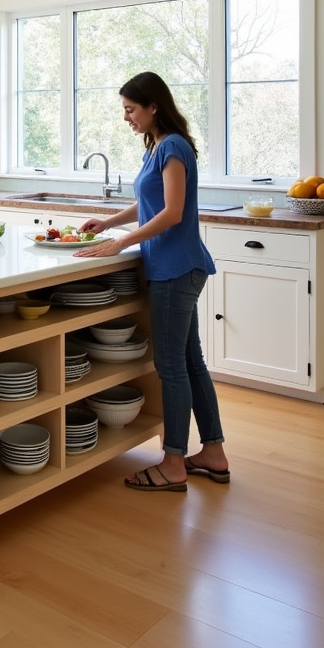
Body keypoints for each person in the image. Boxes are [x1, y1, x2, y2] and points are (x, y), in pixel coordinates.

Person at [73, 72, 230, 492]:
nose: (126, 117)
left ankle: (173, 463)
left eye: (130, 109)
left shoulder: (173, 146)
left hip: (176, 268)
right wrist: (108, 222)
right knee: (191, 362)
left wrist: (121, 242)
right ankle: (213, 453)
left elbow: (173, 212)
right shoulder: (158, 147)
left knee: (172, 367)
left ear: (153, 105)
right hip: (177, 266)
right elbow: (149, 203)